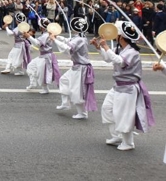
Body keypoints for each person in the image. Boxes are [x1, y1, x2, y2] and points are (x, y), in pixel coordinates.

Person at [92, 21, 155, 151]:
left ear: (121, 36)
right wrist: (99, 48)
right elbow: (109, 59)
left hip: (128, 88)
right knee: (107, 108)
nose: (115, 35)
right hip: (118, 86)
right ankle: (117, 135)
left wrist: (106, 47)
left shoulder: (132, 52)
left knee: (124, 115)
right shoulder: (120, 49)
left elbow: (120, 62)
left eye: (117, 33)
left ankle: (129, 142)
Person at [52, 17, 97, 119]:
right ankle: (65, 103)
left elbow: (67, 48)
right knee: (64, 80)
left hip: (81, 68)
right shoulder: (80, 37)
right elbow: (68, 40)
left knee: (77, 91)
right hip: (77, 66)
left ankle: (82, 113)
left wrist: (54, 39)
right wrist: (57, 37)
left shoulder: (79, 39)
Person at [25, 18, 61, 94]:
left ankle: (45, 88)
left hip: (46, 57)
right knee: (31, 66)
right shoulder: (47, 34)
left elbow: (37, 44)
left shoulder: (45, 35)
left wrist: (29, 37)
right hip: (43, 56)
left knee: (42, 73)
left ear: (42, 27)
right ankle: (33, 83)